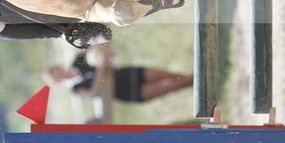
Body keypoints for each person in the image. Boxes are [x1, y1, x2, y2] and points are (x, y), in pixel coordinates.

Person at [46, 43, 193, 102]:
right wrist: (102, 68)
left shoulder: (76, 64)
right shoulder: (76, 88)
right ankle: (199, 80)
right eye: (58, 77)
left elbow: (92, 43)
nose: (62, 75)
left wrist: (104, 52)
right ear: (59, 82)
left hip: (127, 74)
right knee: (173, 85)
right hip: (127, 91)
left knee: (173, 76)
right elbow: (93, 93)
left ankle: (198, 79)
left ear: (61, 67)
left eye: (59, 72)